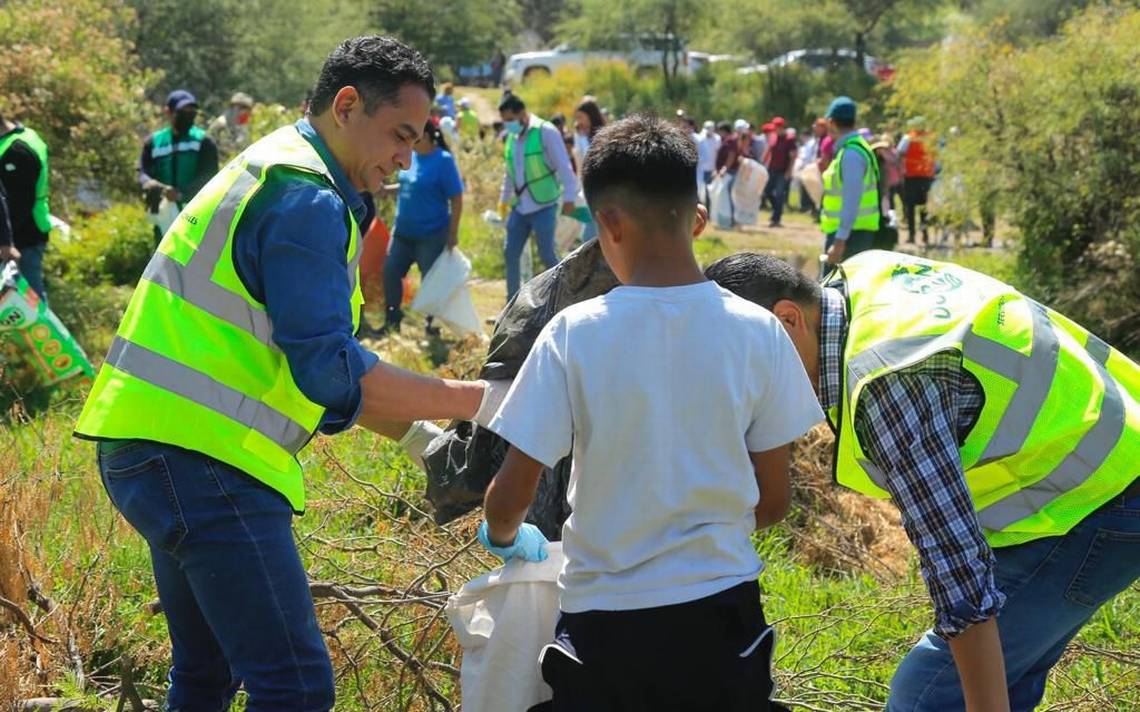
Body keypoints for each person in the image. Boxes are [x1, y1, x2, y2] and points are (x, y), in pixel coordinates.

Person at [74, 37, 506, 712]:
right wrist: (483, 401)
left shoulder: (277, 168)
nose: (404, 157)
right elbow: (333, 372)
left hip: (150, 447)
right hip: (204, 464)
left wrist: (426, 441)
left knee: (206, 675)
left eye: (417, 140)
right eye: (399, 134)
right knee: (296, 687)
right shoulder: (305, 199)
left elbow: (305, 362)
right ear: (346, 105)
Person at [480, 114, 821, 711]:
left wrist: (506, 536)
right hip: (724, 619)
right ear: (697, 215)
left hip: (605, 629)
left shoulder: (573, 335)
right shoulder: (759, 332)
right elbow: (774, 501)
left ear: (608, 222)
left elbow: (509, 496)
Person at [707, 249, 1140, 712]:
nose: (745, 387)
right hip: (1114, 440)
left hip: (1099, 499)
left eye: (742, 363)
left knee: (930, 695)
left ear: (787, 319)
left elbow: (959, 573)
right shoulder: (865, 274)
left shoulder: (889, 383)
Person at [378, 120, 464, 335]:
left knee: (431, 280)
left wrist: (452, 234)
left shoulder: (443, 161)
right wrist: (387, 190)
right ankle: (392, 320)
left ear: (425, 136)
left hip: (431, 234)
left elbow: (456, 198)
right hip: (403, 232)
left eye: (413, 137)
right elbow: (409, 184)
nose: (408, 142)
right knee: (390, 271)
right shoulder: (412, 157)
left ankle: (431, 325)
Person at [498, 93, 578, 299]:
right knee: (510, 253)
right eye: (504, 121)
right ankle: (512, 303)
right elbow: (509, 173)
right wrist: (503, 201)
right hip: (520, 206)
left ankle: (563, 297)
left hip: (544, 204)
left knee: (547, 254)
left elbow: (564, 165)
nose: (508, 125)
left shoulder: (546, 132)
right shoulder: (512, 138)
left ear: (522, 113)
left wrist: (570, 196)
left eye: (510, 120)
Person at [139, 90, 220, 244]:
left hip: (195, 215)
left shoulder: (204, 141)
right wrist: (149, 184)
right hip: (163, 214)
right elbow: (143, 171)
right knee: (163, 255)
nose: (188, 115)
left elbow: (210, 176)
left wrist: (181, 193)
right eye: (182, 111)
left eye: (192, 111)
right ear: (168, 112)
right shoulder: (154, 142)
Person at [820, 96, 880, 269]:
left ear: (831, 122)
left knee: (834, 294)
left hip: (850, 237)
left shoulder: (851, 154)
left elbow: (851, 200)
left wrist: (839, 241)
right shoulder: (854, 148)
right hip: (852, 233)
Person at [0, 112, 52, 301]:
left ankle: (48, 331)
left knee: (30, 299)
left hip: (23, 235)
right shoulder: (25, 135)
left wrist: (6, 242)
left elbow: (19, 202)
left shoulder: (16, 150)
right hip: (25, 230)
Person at [898, 117, 936, 244]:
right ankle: (925, 236)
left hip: (911, 176)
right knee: (924, 207)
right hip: (927, 177)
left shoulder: (908, 138)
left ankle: (912, 235)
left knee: (910, 207)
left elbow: (899, 152)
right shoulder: (931, 138)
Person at [762, 118, 797, 227]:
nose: (774, 130)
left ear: (781, 127)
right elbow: (768, 151)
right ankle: (776, 211)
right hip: (772, 169)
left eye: (775, 128)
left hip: (783, 171)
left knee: (779, 194)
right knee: (767, 191)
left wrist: (789, 171)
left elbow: (793, 156)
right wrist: (762, 163)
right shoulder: (773, 137)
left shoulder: (789, 139)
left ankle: (776, 218)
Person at [208, 92, 255, 158]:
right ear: (235, 107)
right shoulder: (220, 125)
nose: (245, 114)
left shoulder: (241, 127)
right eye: (243, 109)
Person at [695, 120, 721, 207]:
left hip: (711, 169)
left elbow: (717, 154)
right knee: (700, 191)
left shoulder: (717, 139)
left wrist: (716, 169)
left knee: (709, 192)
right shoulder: (700, 138)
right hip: (701, 169)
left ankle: (709, 212)